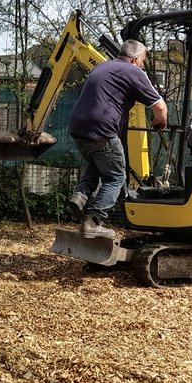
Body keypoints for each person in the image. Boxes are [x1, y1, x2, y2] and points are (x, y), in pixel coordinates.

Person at [68, 39, 168, 238]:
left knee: (98, 162)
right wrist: (160, 123)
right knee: (116, 177)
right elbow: (160, 107)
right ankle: (94, 221)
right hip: (103, 129)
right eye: (142, 60)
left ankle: (80, 195)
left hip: (78, 127)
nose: (142, 64)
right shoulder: (133, 72)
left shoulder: (102, 66)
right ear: (136, 59)